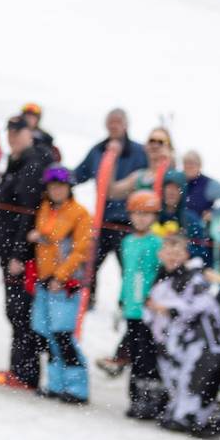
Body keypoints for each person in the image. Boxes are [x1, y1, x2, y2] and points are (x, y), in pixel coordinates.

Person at [0, 117, 54, 390]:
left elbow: (27, 215)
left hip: (22, 254)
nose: (13, 136)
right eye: (10, 132)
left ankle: (25, 372)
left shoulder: (32, 163)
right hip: (10, 249)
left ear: (30, 133)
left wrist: (19, 254)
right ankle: (21, 368)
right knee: (16, 310)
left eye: (18, 132)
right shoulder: (18, 160)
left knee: (20, 310)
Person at [147, 227, 220, 435]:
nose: (172, 257)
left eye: (177, 252)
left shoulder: (194, 278)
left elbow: (202, 305)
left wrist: (170, 310)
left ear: (186, 255)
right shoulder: (162, 279)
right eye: (168, 251)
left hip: (199, 340)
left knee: (195, 377)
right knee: (175, 376)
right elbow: (151, 309)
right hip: (173, 341)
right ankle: (179, 413)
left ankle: (193, 417)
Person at [28, 167, 95, 405]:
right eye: (53, 186)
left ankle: (78, 387)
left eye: (62, 186)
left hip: (66, 284)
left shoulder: (79, 213)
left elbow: (80, 250)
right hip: (45, 281)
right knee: (47, 335)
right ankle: (56, 383)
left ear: (69, 188)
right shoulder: (45, 209)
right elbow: (47, 238)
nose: (57, 190)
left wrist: (62, 276)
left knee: (63, 335)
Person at [100, 191, 167, 418]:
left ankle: (152, 399)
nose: (141, 219)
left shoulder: (157, 243)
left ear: (155, 217)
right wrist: (122, 298)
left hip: (149, 310)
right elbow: (127, 274)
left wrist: (153, 297)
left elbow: (159, 274)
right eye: (137, 214)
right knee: (136, 355)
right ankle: (136, 397)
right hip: (131, 308)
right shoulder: (127, 242)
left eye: (147, 214)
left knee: (148, 355)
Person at [70, 108, 148, 299]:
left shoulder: (139, 152)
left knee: (129, 266)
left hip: (129, 221)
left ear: (126, 125)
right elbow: (79, 174)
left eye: (118, 122)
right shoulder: (98, 150)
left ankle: (128, 302)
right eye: (111, 121)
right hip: (101, 220)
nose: (114, 125)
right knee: (90, 262)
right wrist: (57, 178)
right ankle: (88, 298)